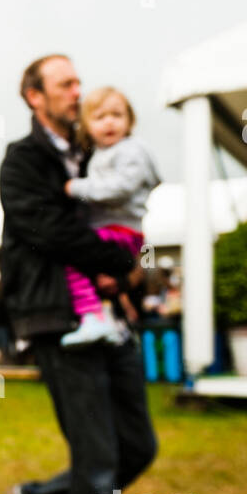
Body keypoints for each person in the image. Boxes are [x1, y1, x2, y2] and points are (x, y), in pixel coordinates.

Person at [0, 54, 160, 494]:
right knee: (98, 463)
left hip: (112, 318)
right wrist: (122, 261)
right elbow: (50, 231)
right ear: (34, 97)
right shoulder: (23, 161)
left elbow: (125, 217)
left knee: (137, 448)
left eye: (78, 82)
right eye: (65, 83)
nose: (77, 91)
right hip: (59, 322)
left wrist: (132, 270)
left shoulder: (97, 154)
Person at [59, 86, 161, 347]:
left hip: (119, 229)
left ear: (129, 121)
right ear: (87, 125)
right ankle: (107, 322)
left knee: (72, 255)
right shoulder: (101, 154)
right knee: (99, 277)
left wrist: (76, 188)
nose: (109, 122)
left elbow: (119, 188)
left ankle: (91, 316)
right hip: (115, 227)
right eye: (100, 116)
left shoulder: (130, 150)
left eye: (116, 115)